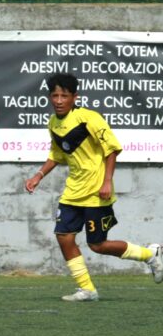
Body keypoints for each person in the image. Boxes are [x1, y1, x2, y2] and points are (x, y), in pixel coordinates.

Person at [25, 73, 163, 302]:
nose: (59, 100)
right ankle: (87, 289)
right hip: (72, 191)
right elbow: (57, 154)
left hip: (96, 192)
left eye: (64, 96)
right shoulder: (53, 123)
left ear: (74, 97)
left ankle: (151, 254)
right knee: (64, 237)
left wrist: (107, 181)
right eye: (54, 95)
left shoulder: (89, 118)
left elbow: (112, 149)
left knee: (97, 245)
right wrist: (38, 175)